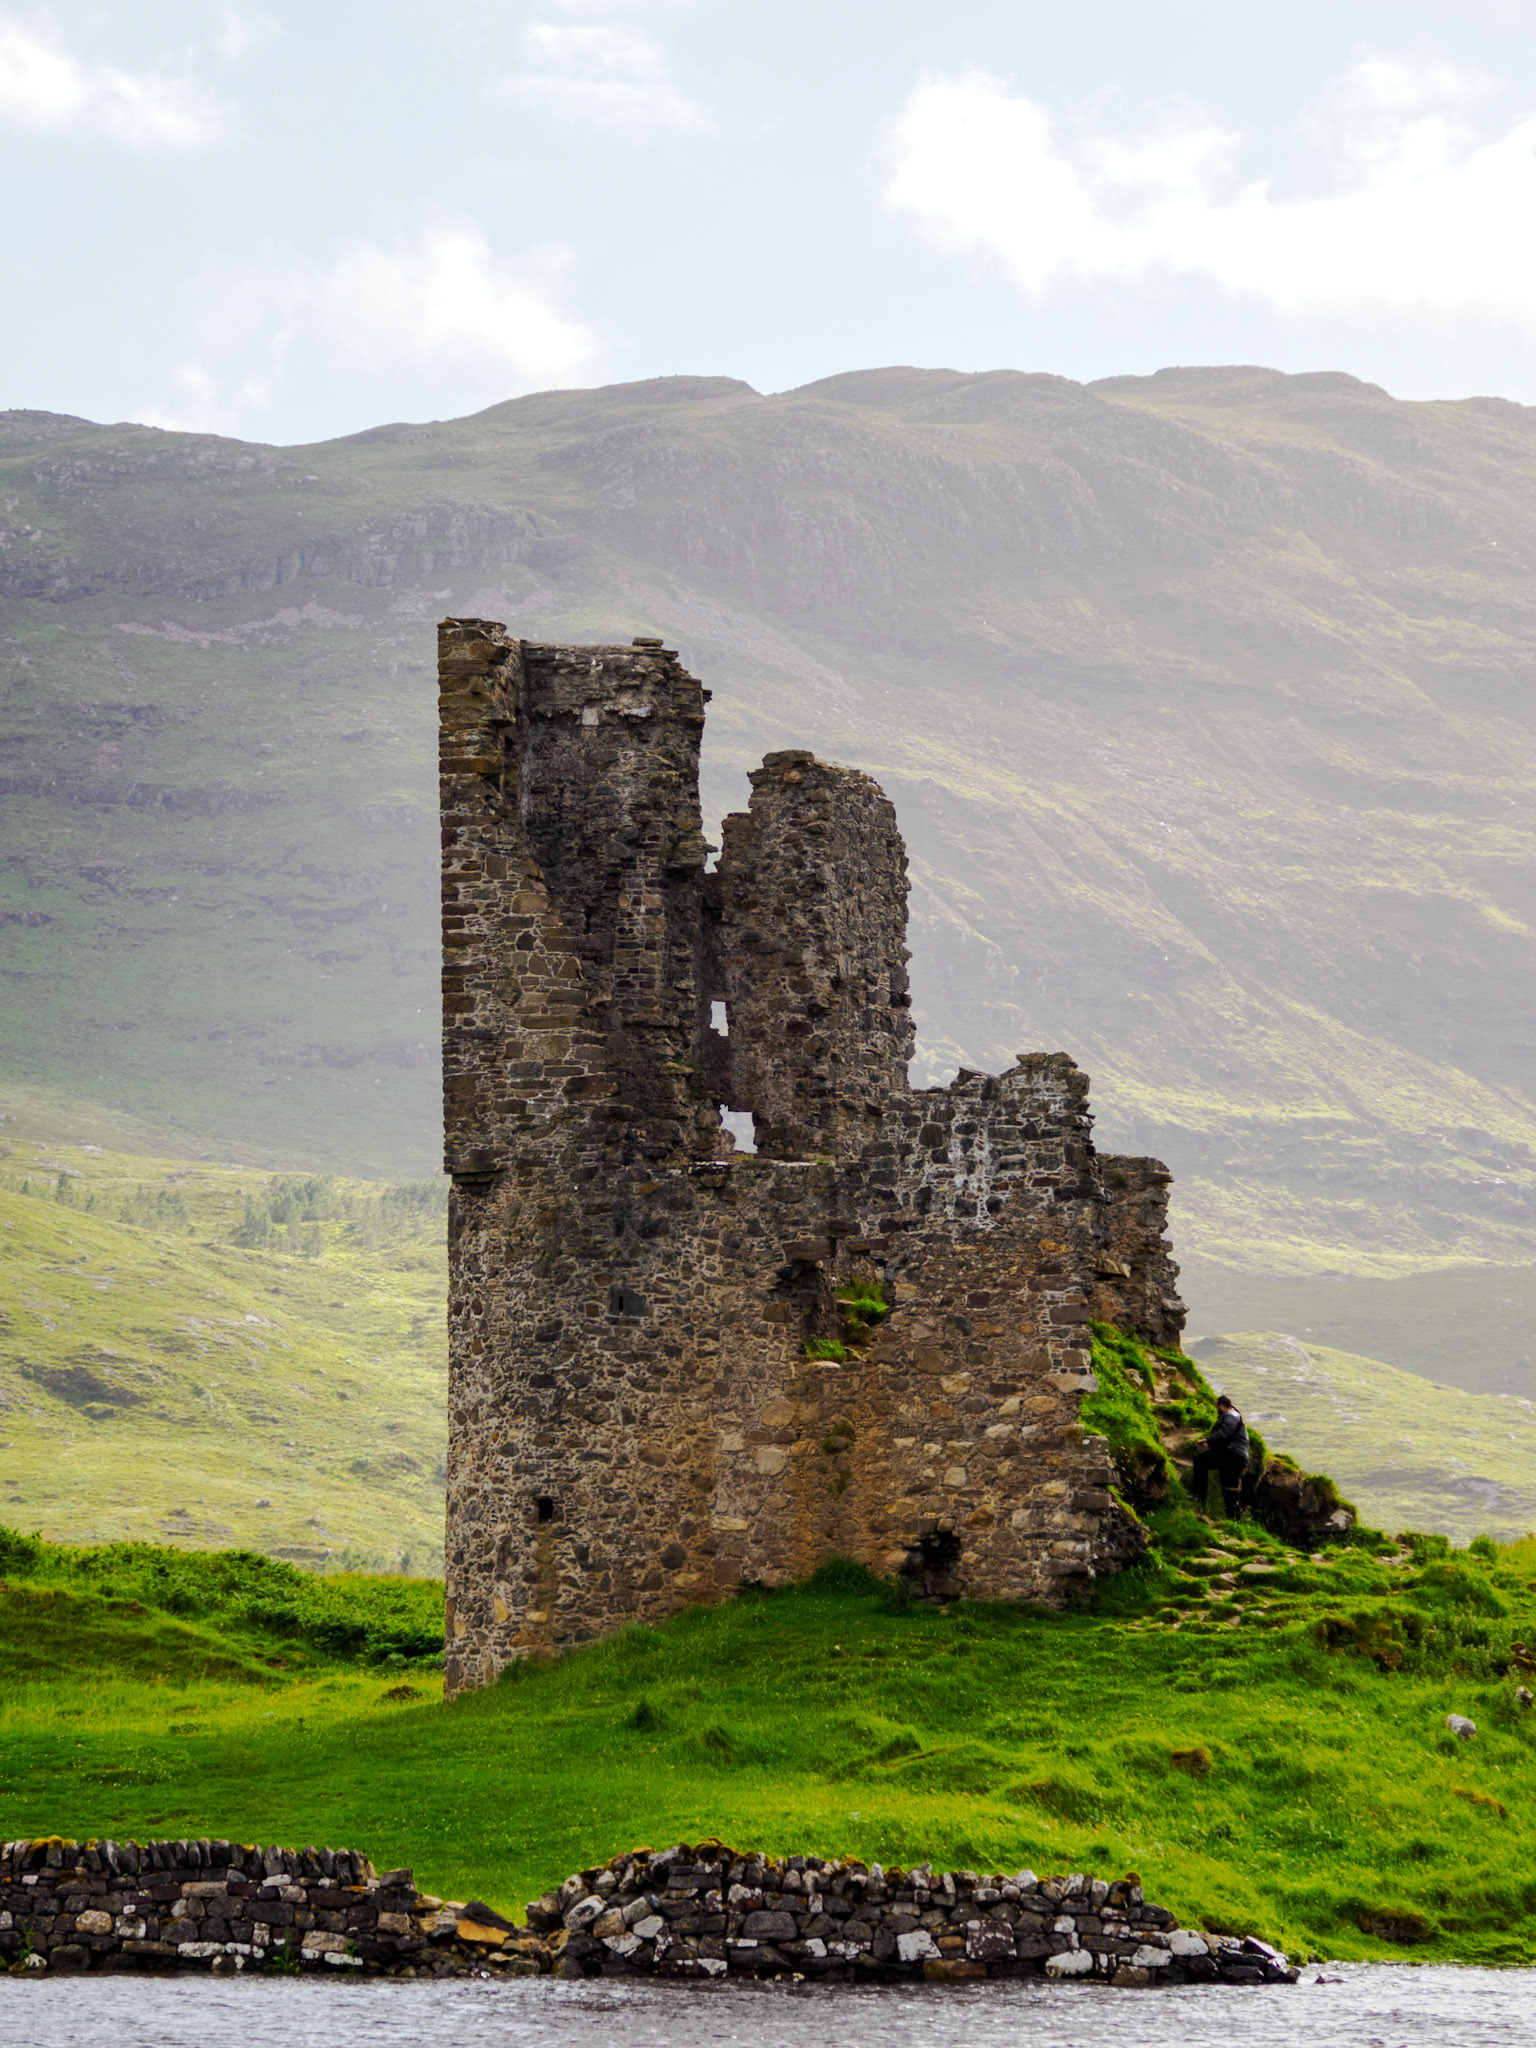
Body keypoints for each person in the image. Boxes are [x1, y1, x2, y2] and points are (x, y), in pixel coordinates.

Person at [1190, 1394, 1250, 1519]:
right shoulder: (1236, 1415)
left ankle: (1199, 1498)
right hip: (1238, 1456)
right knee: (1229, 1488)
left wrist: (1209, 1440)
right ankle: (1233, 1519)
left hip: (1231, 1453)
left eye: (1217, 1406)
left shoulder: (1230, 1415)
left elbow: (1226, 1431)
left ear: (1221, 1405)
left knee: (1200, 1462)